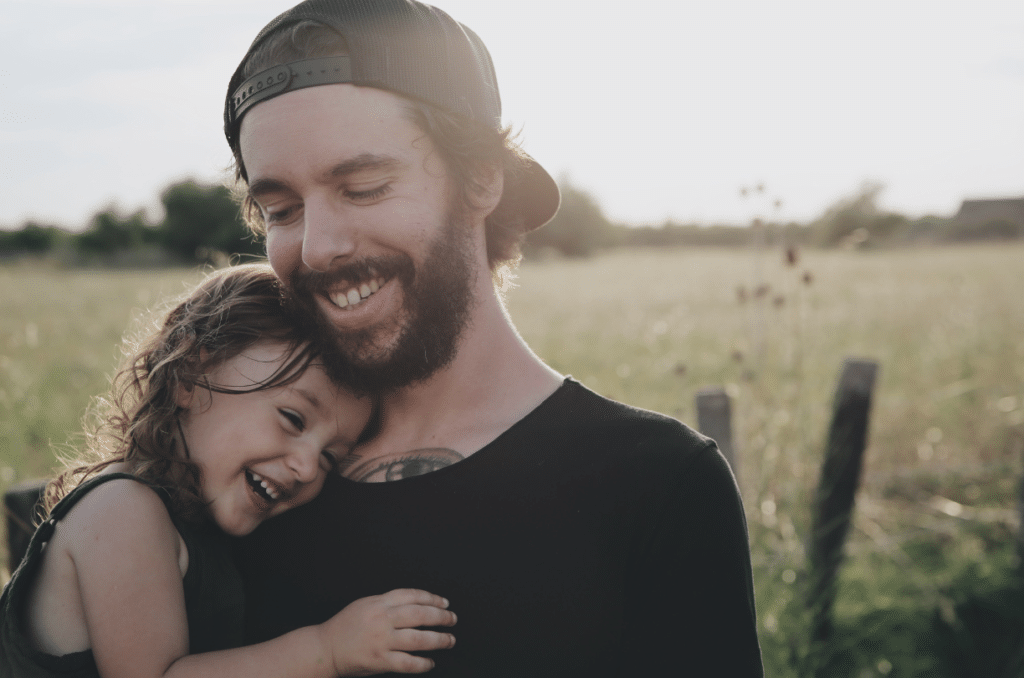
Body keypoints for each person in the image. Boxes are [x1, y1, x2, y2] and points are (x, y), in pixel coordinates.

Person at [225, 1, 764, 675]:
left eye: (363, 187)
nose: (318, 247)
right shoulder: (253, 479)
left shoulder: (657, 485)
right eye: (281, 210)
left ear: (481, 178)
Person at [0, 263, 457, 678]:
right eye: (293, 419)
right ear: (188, 375)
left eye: (328, 458)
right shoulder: (122, 510)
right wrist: (328, 650)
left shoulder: (196, 525)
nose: (304, 467)